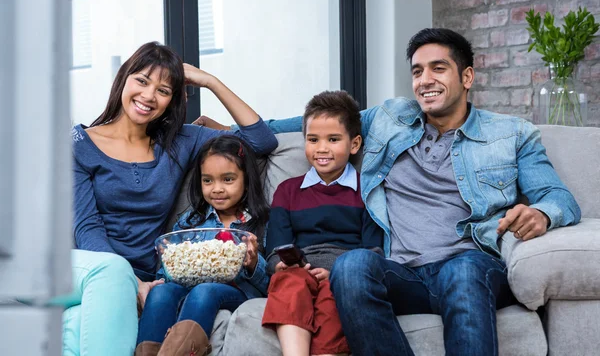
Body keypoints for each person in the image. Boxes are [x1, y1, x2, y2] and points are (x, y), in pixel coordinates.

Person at [195, 29, 581, 356]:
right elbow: (309, 122)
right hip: (403, 272)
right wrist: (229, 131)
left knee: (462, 269)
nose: (425, 79)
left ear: (467, 77)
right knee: (351, 265)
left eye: (438, 68)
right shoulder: (390, 118)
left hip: (471, 264)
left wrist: (542, 214)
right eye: (417, 71)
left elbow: (559, 197)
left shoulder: (512, 134)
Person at [67, 41, 277, 356]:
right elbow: (86, 227)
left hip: (156, 276)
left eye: (163, 90)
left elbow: (260, 140)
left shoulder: (179, 141)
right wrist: (131, 284)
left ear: (172, 100)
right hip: (99, 270)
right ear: (123, 79)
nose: (149, 96)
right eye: (141, 80)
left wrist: (210, 81)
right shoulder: (79, 144)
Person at [261, 91, 383, 356]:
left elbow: (374, 251)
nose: (322, 148)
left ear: (354, 144)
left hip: (343, 275)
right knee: (289, 282)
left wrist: (338, 273)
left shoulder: (367, 190)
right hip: (299, 271)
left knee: (335, 296)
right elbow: (274, 250)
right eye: (313, 140)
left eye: (333, 139)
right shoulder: (288, 190)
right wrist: (280, 263)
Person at [136, 135, 270, 355]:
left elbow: (270, 284)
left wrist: (253, 263)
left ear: (246, 179)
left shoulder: (261, 223)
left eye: (227, 179)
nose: (216, 189)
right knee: (161, 293)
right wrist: (170, 261)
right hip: (187, 288)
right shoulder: (190, 223)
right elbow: (167, 275)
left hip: (237, 293)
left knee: (204, 291)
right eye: (208, 180)